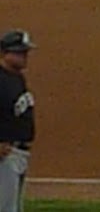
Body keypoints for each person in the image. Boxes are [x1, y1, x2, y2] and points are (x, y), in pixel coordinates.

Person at [0, 30, 36, 212]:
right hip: (5, 155)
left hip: (19, 152)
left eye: (25, 52)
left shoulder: (17, 78)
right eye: (20, 52)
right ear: (5, 53)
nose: (25, 56)